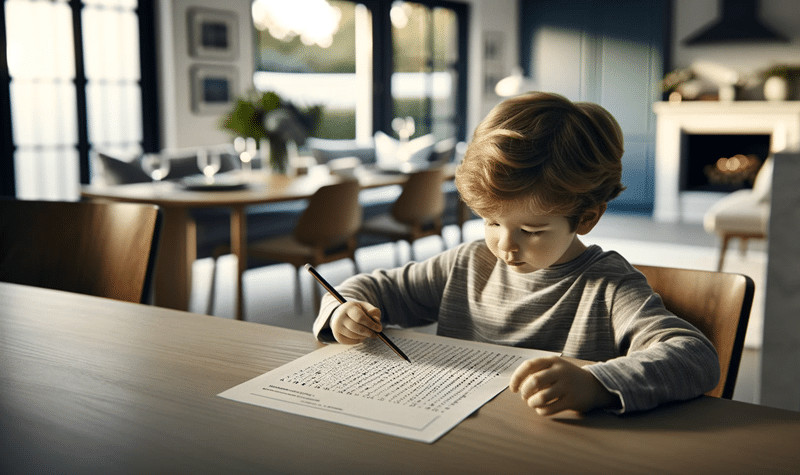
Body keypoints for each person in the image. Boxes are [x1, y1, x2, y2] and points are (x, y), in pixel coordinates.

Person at [312, 91, 719, 415]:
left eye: (531, 230)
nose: (505, 246)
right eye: (491, 222)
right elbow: (370, 286)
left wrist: (597, 385)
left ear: (586, 218)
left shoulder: (608, 286)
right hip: (458, 432)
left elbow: (694, 356)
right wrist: (344, 310)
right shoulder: (468, 264)